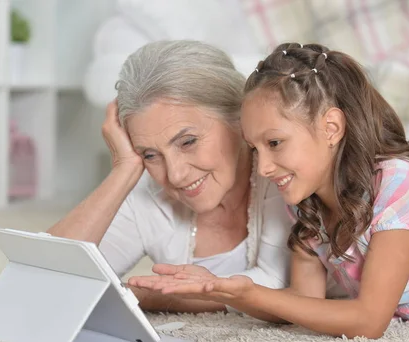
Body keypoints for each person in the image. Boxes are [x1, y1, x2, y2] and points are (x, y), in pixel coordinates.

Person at [128, 43, 409, 338]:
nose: (263, 167)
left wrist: (249, 294)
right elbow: (303, 304)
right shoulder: (308, 209)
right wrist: (227, 291)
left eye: (274, 143)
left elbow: (369, 321)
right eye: (254, 148)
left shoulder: (397, 184)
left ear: (331, 128)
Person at [47, 40, 335, 314]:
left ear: (239, 119)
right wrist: (124, 168)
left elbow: (278, 284)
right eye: (149, 154)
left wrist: (150, 296)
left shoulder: (280, 172)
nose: (175, 175)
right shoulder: (150, 195)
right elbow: (46, 277)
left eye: (187, 142)